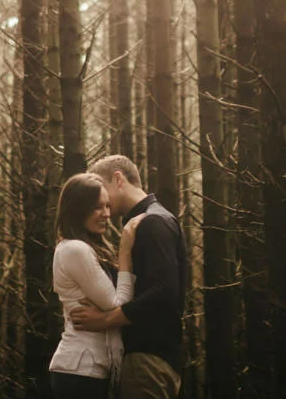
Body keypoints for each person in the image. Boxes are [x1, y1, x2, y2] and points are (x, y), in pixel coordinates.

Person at [71, 155, 188, 399]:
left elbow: (163, 293)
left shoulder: (152, 222)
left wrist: (105, 320)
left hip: (147, 361)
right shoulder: (147, 221)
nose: (99, 201)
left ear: (118, 179)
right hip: (153, 359)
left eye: (101, 189)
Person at [50, 172, 145, 398]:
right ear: (78, 210)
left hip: (90, 369)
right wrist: (125, 250)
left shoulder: (87, 247)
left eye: (107, 206)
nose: (107, 214)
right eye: (97, 207)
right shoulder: (75, 249)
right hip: (80, 370)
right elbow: (116, 304)